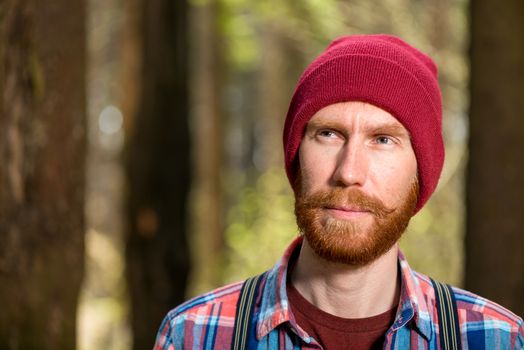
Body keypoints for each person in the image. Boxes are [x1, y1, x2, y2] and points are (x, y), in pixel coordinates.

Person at [153, 34, 524, 349]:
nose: (349, 172)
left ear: (420, 173)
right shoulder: (194, 335)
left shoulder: (497, 338)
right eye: (328, 134)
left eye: (382, 139)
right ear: (296, 157)